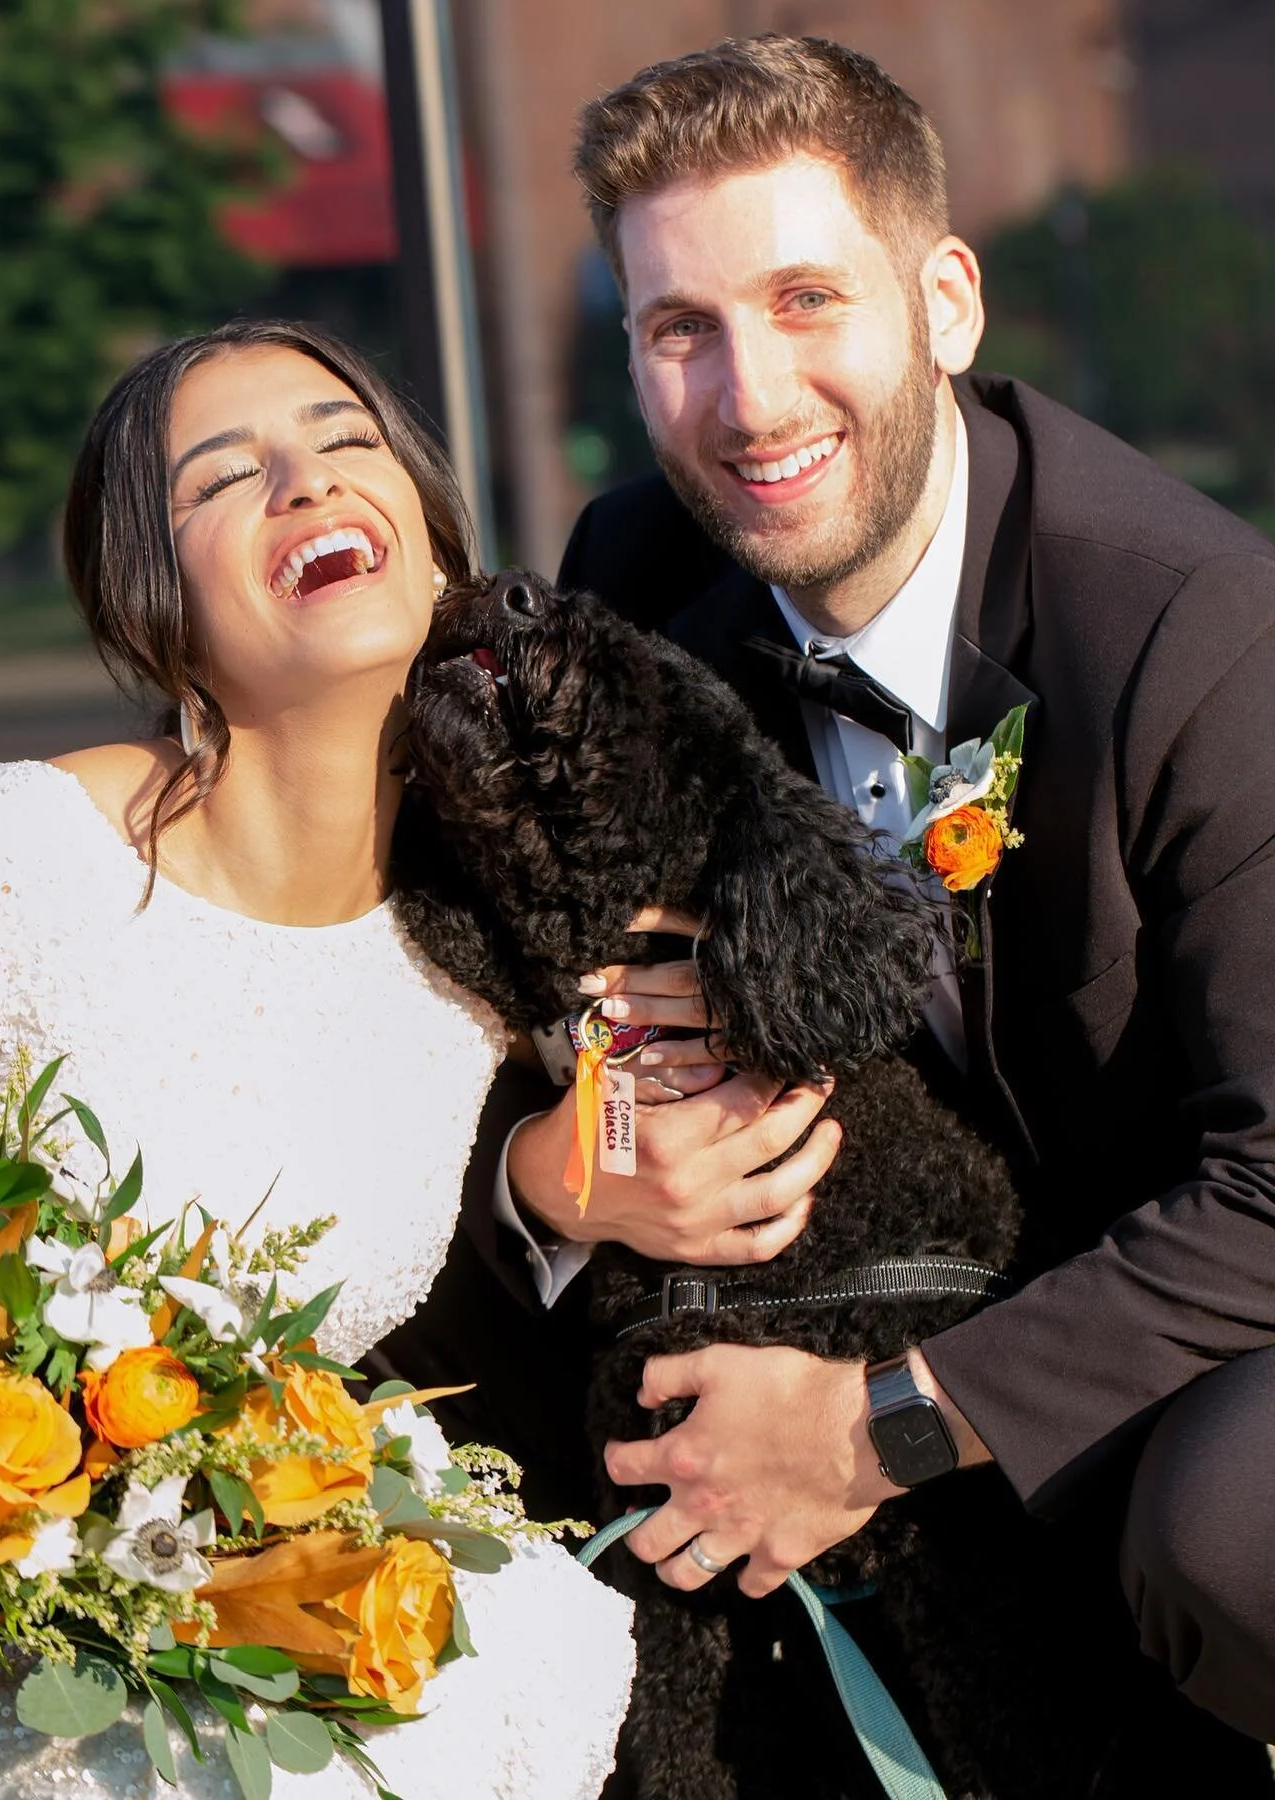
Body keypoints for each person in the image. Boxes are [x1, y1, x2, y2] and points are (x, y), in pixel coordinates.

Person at [387, 30, 1275, 1774]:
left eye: (807, 301)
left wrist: (879, 1429)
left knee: (1231, 1534)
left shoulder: (1198, 631)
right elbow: (548, 989)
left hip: (1188, 1336)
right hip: (854, 1308)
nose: (751, 397)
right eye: (681, 331)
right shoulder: (632, 580)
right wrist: (572, 1181)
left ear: (945, 302)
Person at [0, 319, 634, 1799]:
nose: (307, 483)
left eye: (345, 442)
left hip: (242, 1653)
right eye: (228, 475)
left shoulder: (472, 955)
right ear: (157, 608)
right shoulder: (11, 867)